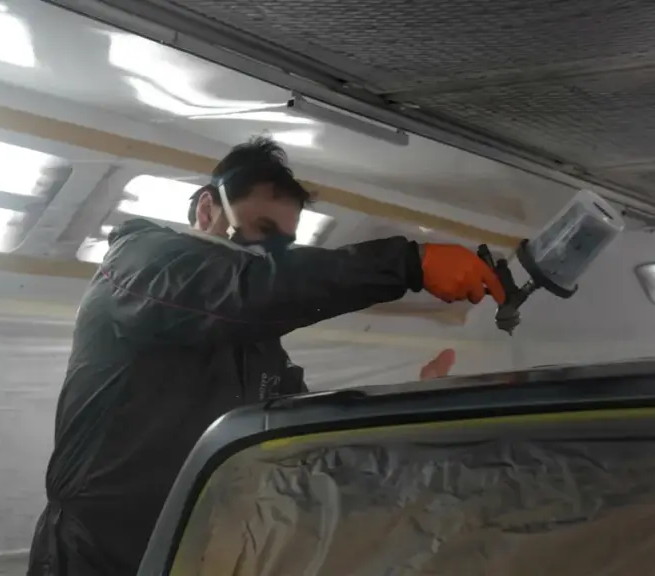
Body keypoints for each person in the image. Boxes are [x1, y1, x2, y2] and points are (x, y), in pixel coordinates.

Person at [27, 137, 506, 575]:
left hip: (192, 551)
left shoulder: (256, 344)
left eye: (282, 243)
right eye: (260, 228)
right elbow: (247, 291)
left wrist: (407, 407)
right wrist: (407, 264)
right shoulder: (140, 264)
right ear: (207, 209)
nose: (268, 251)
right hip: (95, 554)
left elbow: (301, 438)